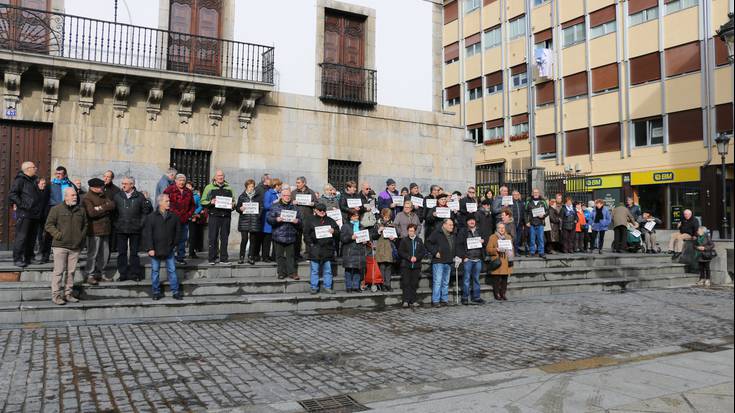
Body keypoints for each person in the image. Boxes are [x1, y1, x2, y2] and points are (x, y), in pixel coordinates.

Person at [44, 187, 87, 305]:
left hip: (75, 246)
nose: (75, 197)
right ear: (65, 196)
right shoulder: (56, 209)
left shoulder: (81, 210)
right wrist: (58, 235)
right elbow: (49, 225)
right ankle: (56, 295)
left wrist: (80, 239)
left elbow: (85, 226)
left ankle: (68, 294)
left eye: (75, 195)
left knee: (71, 272)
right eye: (72, 195)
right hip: (60, 246)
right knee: (58, 272)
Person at [142, 194, 182, 300]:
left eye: (169, 201)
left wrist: (174, 244)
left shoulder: (174, 216)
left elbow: (178, 232)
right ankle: (156, 292)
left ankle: (176, 291)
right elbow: (147, 234)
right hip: (155, 249)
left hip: (169, 248)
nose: (169, 203)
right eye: (166, 201)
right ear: (160, 203)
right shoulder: (151, 217)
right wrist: (150, 248)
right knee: (155, 271)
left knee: (172, 270)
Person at [112, 176, 152, 281]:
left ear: (132, 185)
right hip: (121, 228)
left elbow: (145, 212)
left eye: (126, 183)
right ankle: (123, 274)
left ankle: (135, 274)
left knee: (134, 253)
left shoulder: (140, 196)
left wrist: (140, 224)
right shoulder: (117, 196)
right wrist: (116, 224)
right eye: (122, 183)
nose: (123, 185)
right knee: (122, 253)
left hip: (135, 229)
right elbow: (114, 212)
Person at [8, 161, 44, 268]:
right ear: (28, 169)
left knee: (32, 237)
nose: (36, 169)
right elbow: (12, 194)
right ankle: (18, 259)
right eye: (34, 167)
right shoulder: (20, 180)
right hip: (24, 213)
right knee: (21, 237)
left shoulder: (34, 180)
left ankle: (29, 257)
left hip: (35, 213)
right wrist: (23, 205)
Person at [82, 178, 115, 284]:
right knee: (93, 254)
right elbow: (91, 213)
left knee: (104, 254)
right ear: (93, 188)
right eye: (100, 187)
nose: (102, 188)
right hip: (94, 230)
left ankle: (102, 273)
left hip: (105, 229)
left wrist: (100, 208)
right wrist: (105, 208)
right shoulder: (87, 197)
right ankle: (90, 275)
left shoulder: (103, 195)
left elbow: (112, 205)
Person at [201, 170, 235, 265]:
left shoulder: (229, 187)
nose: (220, 177)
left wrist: (233, 204)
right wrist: (210, 202)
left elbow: (234, 201)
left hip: (226, 216)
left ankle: (223, 258)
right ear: (215, 177)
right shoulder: (209, 187)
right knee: (213, 237)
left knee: (224, 237)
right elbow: (203, 201)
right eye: (218, 175)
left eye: (222, 175)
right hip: (214, 215)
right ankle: (212, 258)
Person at [303, 203, 339, 294]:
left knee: (328, 270)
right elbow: (306, 234)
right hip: (315, 248)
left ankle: (327, 286)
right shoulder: (310, 220)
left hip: (327, 248)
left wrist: (334, 231)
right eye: (320, 210)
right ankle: (314, 287)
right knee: (314, 270)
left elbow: (338, 232)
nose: (322, 212)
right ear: (315, 210)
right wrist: (310, 244)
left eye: (323, 210)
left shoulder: (330, 220)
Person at [267, 188, 302, 280]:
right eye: (285, 195)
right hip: (279, 234)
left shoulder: (295, 207)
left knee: (291, 256)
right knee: (279, 256)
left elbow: (301, 220)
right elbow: (269, 219)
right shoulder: (275, 206)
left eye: (289, 196)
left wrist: (297, 221)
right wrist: (276, 220)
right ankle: (281, 273)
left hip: (291, 234)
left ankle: (292, 273)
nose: (287, 197)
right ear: (281, 196)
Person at [426, 219, 458, 308]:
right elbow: (428, 243)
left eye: (452, 225)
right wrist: (435, 252)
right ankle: (436, 300)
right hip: (438, 261)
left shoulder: (453, 234)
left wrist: (455, 255)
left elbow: (453, 246)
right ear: (444, 225)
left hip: (448, 261)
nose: (452, 227)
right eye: (450, 225)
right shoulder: (437, 233)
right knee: (438, 281)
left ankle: (444, 299)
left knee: (445, 282)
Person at [164, 174, 195, 265]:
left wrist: (189, 214)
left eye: (183, 180)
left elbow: (192, 205)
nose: (181, 182)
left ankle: (180, 257)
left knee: (183, 239)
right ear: (176, 181)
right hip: (171, 219)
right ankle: (170, 257)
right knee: (171, 238)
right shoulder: (169, 190)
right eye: (180, 180)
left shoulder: (188, 191)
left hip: (184, 219)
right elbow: (163, 202)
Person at [456, 216, 485, 305]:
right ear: (467, 222)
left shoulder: (480, 231)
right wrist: (463, 257)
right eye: (470, 220)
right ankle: (465, 297)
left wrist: (483, 241)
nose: (472, 222)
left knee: (476, 279)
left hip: (478, 259)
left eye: (473, 220)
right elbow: (459, 245)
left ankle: (476, 297)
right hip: (467, 259)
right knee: (466, 279)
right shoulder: (463, 231)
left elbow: (485, 242)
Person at [398, 224, 426, 308]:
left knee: (414, 283)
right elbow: (400, 251)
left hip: (416, 266)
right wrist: (409, 257)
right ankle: (406, 300)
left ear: (415, 231)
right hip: (406, 265)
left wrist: (417, 258)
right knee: (406, 283)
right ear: (407, 231)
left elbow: (422, 252)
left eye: (413, 231)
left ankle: (413, 300)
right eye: (410, 231)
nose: (411, 232)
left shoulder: (419, 240)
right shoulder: (404, 240)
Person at [340, 209, 368, 293]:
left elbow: (365, 236)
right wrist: (350, 238)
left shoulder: (361, 226)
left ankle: (356, 286)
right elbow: (342, 239)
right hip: (349, 250)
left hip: (359, 250)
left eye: (357, 215)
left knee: (357, 269)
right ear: (350, 217)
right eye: (354, 216)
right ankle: (349, 287)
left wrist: (365, 240)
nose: (356, 217)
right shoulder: (345, 226)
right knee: (348, 269)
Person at [236, 179, 262, 265]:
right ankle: (241, 257)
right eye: (249, 186)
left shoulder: (258, 196)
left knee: (253, 240)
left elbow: (261, 207)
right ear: (246, 187)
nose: (251, 188)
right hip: (244, 221)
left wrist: (258, 215)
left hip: (254, 220)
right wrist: (240, 209)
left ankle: (251, 257)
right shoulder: (242, 196)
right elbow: (237, 207)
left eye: (252, 186)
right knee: (244, 239)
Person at [293, 176, 318, 261]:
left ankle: (309, 255)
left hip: (308, 218)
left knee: (308, 237)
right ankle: (297, 255)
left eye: (298, 183)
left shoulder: (311, 192)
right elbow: (289, 203)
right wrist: (293, 203)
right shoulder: (294, 192)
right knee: (297, 238)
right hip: (297, 218)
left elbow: (317, 203)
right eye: (296, 182)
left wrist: (312, 204)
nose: (297, 184)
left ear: (304, 183)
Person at [486, 222, 514, 301]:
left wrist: (511, 256)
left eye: (503, 228)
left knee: (505, 278)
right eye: (500, 228)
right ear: (497, 229)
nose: (501, 229)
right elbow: (488, 249)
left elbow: (512, 248)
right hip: (497, 260)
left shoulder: (508, 237)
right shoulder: (493, 237)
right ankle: (497, 294)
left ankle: (503, 293)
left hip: (506, 260)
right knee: (496, 279)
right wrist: (496, 250)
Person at [375, 208, 398, 292]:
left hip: (389, 247)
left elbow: (396, 235)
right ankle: (382, 284)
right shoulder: (378, 223)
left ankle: (388, 284)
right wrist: (378, 231)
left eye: (388, 217)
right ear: (382, 215)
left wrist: (394, 237)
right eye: (385, 217)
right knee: (382, 266)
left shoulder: (392, 224)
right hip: (381, 247)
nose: (387, 219)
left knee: (388, 267)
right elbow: (373, 236)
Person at [262, 178, 283, 262]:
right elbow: (266, 206)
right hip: (269, 219)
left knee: (275, 239)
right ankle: (265, 256)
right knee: (267, 239)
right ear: (276, 185)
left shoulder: (279, 193)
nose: (281, 187)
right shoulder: (268, 193)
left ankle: (274, 256)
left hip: (277, 219)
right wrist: (275, 202)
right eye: (280, 185)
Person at [252, 173, 272, 261]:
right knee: (258, 237)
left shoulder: (270, 189)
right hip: (260, 216)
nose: (270, 180)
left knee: (267, 237)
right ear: (265, 180)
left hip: (267, 216)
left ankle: (265, 256)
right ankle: (256, 255)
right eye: (269, 179)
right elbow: (253, 200)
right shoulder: (258, 189)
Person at [525, 188, 548, 258]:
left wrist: (543, 215)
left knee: (540, 238)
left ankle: (541, 252)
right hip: (531, 223)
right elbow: (525, 212)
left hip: (540, 223)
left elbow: (547, 211)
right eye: (534, 192)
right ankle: (532, 252)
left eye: (537, 192)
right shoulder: (528, 201)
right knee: (532, 238)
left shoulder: (543, 201)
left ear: (539, 193)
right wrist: (527, 221)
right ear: (532, 193)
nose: (535, 194)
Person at [102, 170, 121, 253]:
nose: (105, 178)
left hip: (110, 219)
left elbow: (116, 205)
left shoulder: (116, 190)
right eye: (104, 176)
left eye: (108, 177)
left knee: (108, 244)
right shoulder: (99, 187)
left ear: (112, 178)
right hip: (99, 219)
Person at [35, 177, 51, 264]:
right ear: (38, 184)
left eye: (45, 184)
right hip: (37, 217)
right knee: (38, 234)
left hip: (45, 216)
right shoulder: (34, 192)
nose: (44, 185)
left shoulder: (46, 192)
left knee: (46, 234)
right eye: (42, 184)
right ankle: (39, 249)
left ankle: (43, 251)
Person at [187, 182, 206, 259]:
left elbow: (201, 206)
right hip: (184, 217)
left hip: (193, 217)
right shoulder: (183, 195)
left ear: (192, 188)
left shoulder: (196, 197)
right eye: (187, 186)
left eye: (189, 186)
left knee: (192, 236)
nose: (188, 187)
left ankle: (191, 252)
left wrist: (194, 212)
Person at [510, 190, 526, 255]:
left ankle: (516, 251)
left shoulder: (522, 203)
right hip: (512, 224)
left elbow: (524, 214)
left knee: (518, 239)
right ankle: (513, 251)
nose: (516, 196)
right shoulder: (510, 203)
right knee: (513, 238)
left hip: (520, 224)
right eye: (514, 195)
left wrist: (524, 223)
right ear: (512, 196)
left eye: (517, 194)